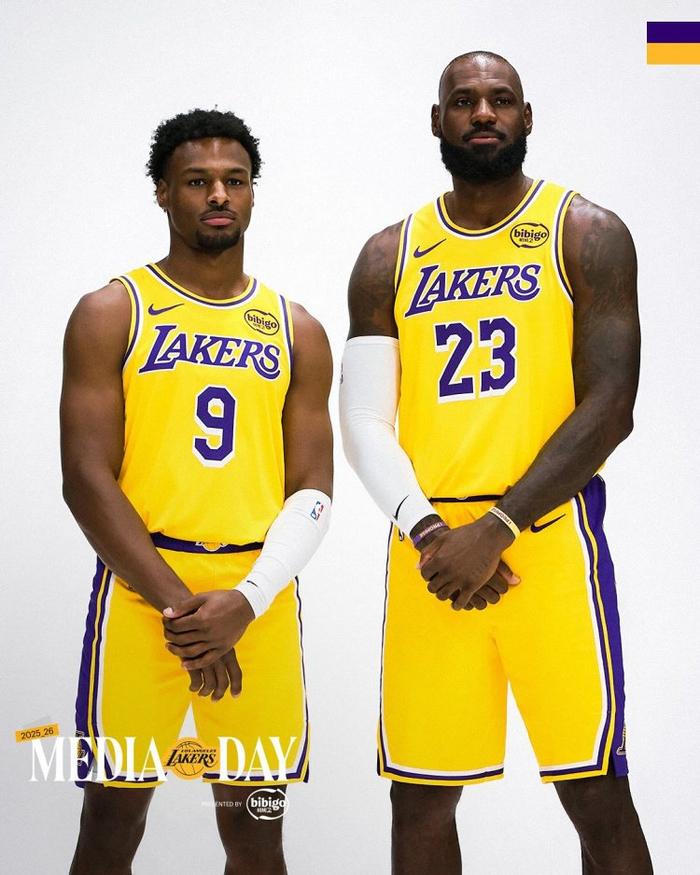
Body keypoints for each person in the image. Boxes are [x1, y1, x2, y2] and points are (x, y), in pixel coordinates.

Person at [340, 52, 652, 873]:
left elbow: (611, 405)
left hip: (548, 538)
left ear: (526, 116)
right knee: (420, 797)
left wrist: (500, 525)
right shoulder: (388, 254)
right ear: (436, 120)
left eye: (500, 99)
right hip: (432, 549)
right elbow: (364, 421)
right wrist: (432, 532)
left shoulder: (585, 232)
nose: (483, 113)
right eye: (464, 100)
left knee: (595, 792)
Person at [61, 108, 333, 875]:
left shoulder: (297, 329)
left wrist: (245, 600)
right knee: (112, 824)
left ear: (252, 194)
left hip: (257, 599)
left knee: (257, 834)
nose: (218, 195)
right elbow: (84, 477)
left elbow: (314, 489)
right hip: (142, 591)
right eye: (197, 181)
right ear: (162, 192)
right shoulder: (112, 311)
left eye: (234, 181)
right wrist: (185, 612)